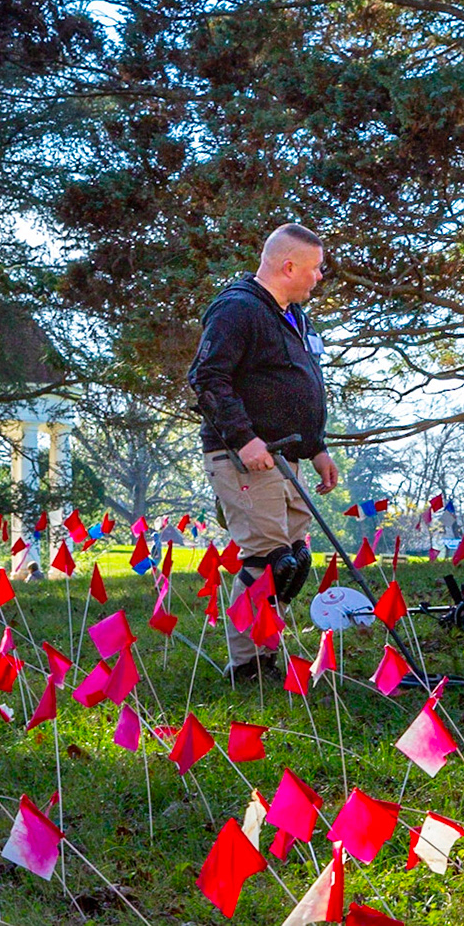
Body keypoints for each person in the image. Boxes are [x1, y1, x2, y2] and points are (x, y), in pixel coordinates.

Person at [188, 223, 340, 679]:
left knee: (293, 562)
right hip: (246, 457)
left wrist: (317, 448)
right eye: (314, 269)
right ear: (288, 265)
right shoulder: (238, 309)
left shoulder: (293, 315)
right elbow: (207, 378)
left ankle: (265, 651)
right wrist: (243, 438)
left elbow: (297, 386)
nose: (319, 277)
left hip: (286, 456)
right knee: (267, 560)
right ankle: (248, 666)